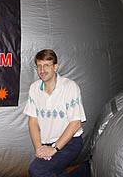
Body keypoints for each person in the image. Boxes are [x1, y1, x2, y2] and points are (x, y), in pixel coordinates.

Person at [24, 49, 86, 177]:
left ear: (55, 67)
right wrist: (39, 149)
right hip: (47, 142)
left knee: (37, 170)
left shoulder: (70, 86)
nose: (42, 70)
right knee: (55, 172)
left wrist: (54, 149)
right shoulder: (34, 88)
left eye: (47, 65)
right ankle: (85, 170)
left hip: (70, 142)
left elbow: (76, 123)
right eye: (39, 66)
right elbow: (33, 121)